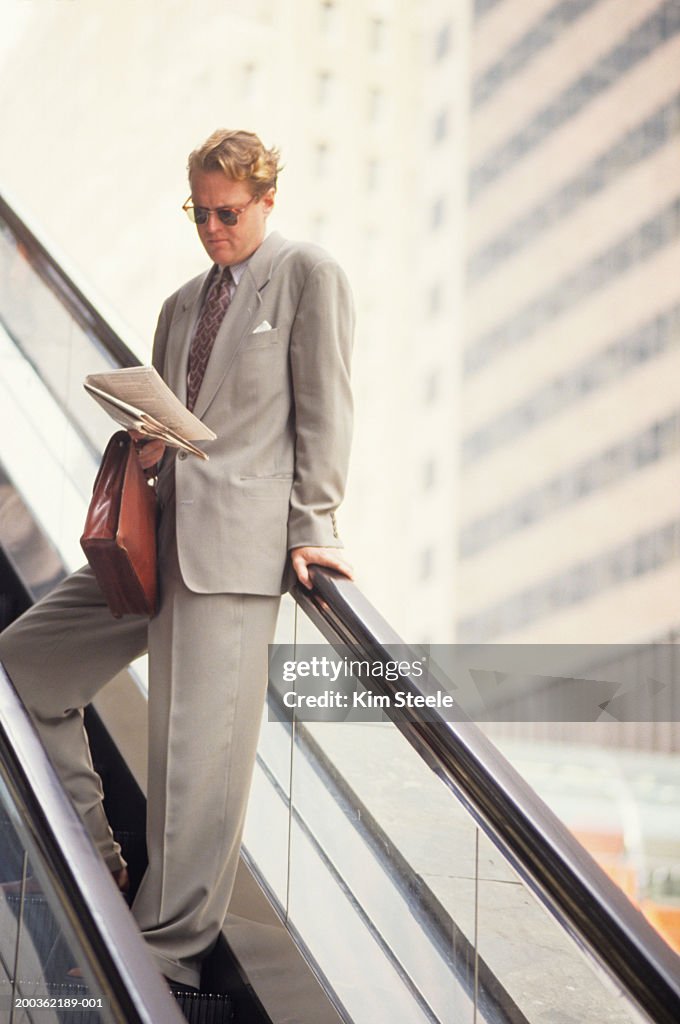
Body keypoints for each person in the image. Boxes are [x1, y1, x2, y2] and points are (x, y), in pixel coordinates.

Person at [0, 129, 354, 990]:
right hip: (152, 539)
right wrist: (150, 446)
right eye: (199, 212)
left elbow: (327, 409)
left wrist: (316, 527)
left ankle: (165, 961)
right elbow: (175, 417)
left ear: (267, 199)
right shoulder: (178, 304)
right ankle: (94, 851)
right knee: (26, 660)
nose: (212, 228)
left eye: (227, 213)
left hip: (235, 550)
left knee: (195, 762)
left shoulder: (307, 275)